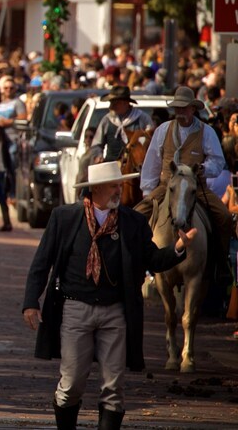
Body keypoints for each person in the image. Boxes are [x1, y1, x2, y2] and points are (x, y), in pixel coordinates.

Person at [22, 161, 193, 430]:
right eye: (114, 186)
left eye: (120, 185)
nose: (119, 190)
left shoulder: (133, 222)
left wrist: (179, 248)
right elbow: (41, 262)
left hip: (115, 311)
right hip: (75, 308)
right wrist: (31, 302)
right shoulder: (64, 218)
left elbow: (153, 259)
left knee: (114, 387)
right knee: (71, 384)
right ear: (96, 188)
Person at [134, 86, 235, 282]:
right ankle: (137, 264)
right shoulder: (163, 130)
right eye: (177, 108)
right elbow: (152, 163)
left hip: (195, 187)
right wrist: (148, 192)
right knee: (136, 216)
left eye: (183, 108)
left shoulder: (206, 132)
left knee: (224, 217)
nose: (179, 112)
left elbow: (217, 161)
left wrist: (204, 169)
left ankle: (221, 263)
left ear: (193, 109)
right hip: (166, 186)